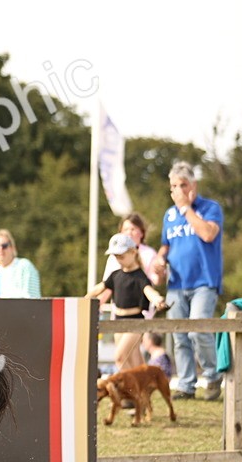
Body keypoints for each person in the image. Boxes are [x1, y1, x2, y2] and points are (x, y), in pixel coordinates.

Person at [151, 161, 224, 401]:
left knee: (197, 329)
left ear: (193, 185)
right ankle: (186, 385)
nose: (178, 191)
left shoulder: (210, 208)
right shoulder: (169, 215)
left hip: (204, 282)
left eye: (182, 185)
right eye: (173, 186)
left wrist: (185, 208)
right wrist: (160, 259)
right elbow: (166, 245)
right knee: (179, 335)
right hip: (176, 284)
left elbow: (208, 234)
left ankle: (213, 377)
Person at [87, 234, 169, 372]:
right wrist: (84, 298)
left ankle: (128, 384)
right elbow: (99, 288)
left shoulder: (140, 277)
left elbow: (149, 291)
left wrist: (158, 300)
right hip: (117, 321)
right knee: (133, 358)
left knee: (120, 357)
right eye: (116, 256)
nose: (118, 260)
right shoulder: (115, 275)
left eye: (121, 256)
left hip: (135, 321)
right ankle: (142, 384)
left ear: (133, 252)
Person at [101, 212, 159, 287]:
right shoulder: (113, 255)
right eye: (125, 229)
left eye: (133, 229)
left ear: (142, 233)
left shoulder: (149, 254)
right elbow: (107, 284)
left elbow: (154, 280)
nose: (129, 233)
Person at [0, 229, 40, 298]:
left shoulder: (25, 266)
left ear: (12, 247)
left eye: (4, 246)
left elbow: (32, 298)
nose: (0, 249)